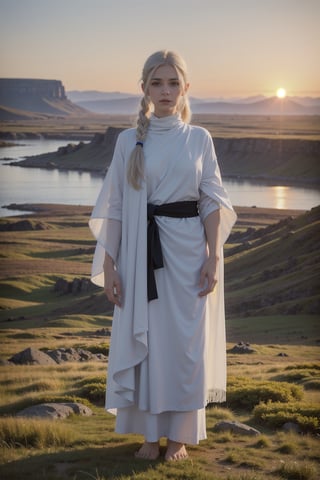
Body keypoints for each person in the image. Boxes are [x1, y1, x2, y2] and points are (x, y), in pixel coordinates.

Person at [89, 50, 236, 461]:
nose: (166, 91)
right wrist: (110, 264)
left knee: (184, 348)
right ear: (144, 89)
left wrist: (213, 258)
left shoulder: (199, 138)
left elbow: (211, 201)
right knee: (148, 343)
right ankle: (150, 438)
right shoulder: (127, 141)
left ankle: (181, 438)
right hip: (139, 257)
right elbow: (116, 206)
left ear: (186, 87)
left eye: (173, 83)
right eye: (157, 83)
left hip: (188, 256)